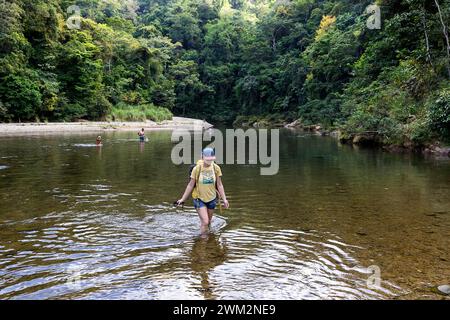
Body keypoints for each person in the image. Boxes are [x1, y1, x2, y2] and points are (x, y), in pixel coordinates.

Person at [176, 147, 229, 235]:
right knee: (205, 221)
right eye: (207, 159)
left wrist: (224, 199)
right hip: (199, 199)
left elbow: (219, 185)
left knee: (208, 222)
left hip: (212, 199)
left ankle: (207, 240)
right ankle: (203, 243)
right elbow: (190, 185)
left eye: (211, 159)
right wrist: (182, 199)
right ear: (202, 158)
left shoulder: (216, 168)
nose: (209, 161)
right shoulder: (197, 169)